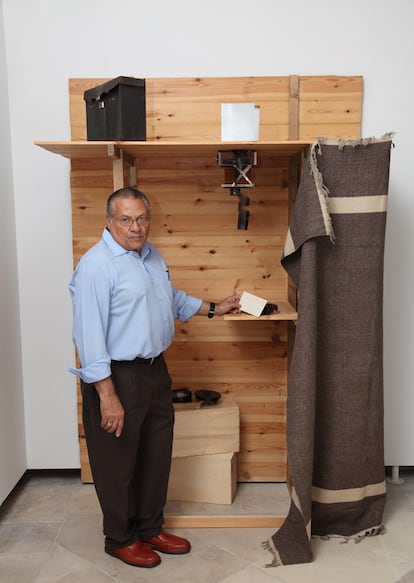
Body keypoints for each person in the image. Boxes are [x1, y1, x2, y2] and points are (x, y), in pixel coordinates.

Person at [69, 186, 240, 568]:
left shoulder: (150, 257)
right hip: (116, 378)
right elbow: (89, 334)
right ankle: (119, 537)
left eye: (142, 218)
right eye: (126, 219)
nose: (135, 227)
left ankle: (148, 527)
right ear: (109, 222)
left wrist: (215, 307)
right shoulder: (97, 266)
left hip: (154, 372)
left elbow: (169, 298)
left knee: (155, 455)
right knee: (117, 462)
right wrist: (107, 395)